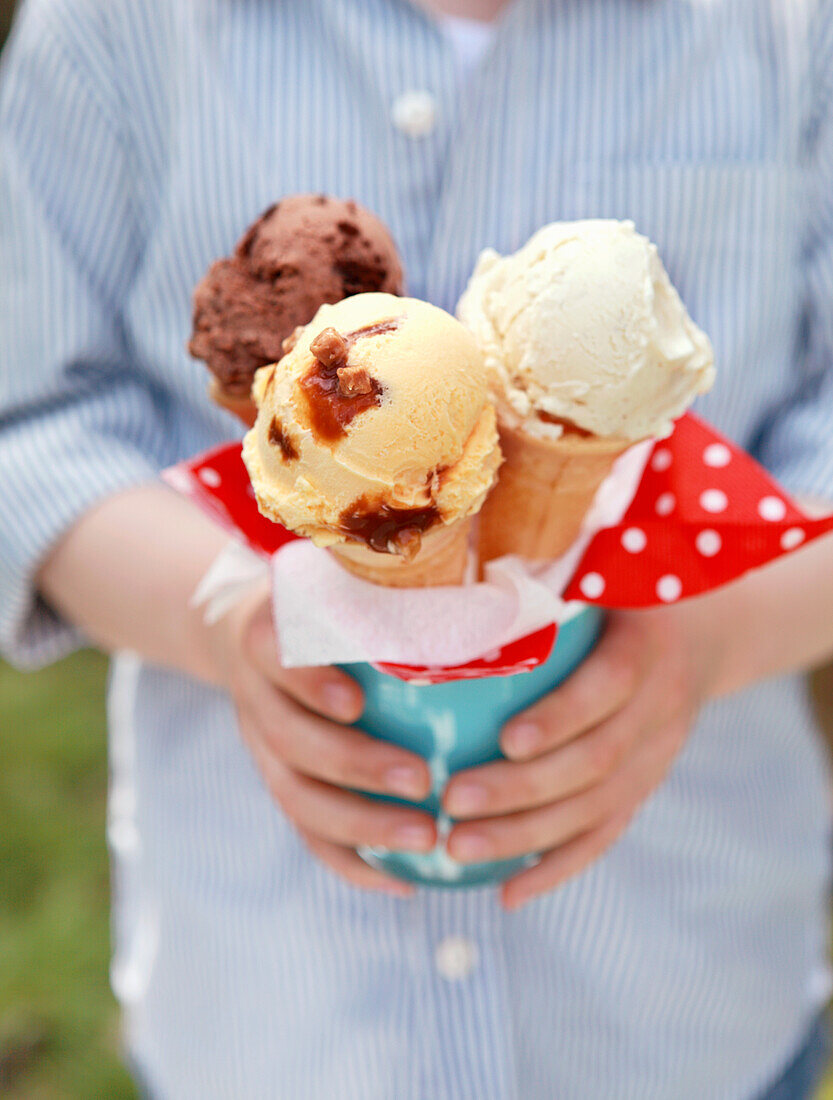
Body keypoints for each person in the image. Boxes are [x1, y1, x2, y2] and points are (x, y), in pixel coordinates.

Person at [2, 0, 833, 1096]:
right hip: (266, 1016)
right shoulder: (115, 28)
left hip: (679, 1002)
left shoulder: (788, 30)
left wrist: (709, 639)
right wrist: (224, 621)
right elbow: (31, 422)